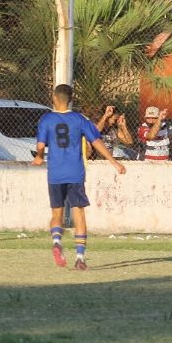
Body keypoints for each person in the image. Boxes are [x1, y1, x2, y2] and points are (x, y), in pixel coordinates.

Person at [33, 84, 126, 270]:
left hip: (55, 174)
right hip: (75, 173)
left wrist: (39, 157)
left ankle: (57, 241)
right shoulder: (79, 119)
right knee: (79, 214)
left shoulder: (46, 119)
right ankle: (80, 258)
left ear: (54, 98)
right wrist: (113, 161)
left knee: (56, 214)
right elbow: (96, 141)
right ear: (71, 99)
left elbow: (41, 145)